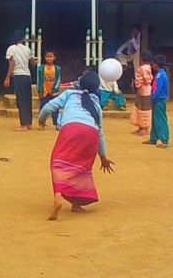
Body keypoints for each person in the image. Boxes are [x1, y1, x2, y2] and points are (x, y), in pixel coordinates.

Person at [38, 72, 115, 221]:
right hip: (90, 135)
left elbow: (49, 107)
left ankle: (58, 196)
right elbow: (100, 132)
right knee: (81, 168)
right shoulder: (96, 105)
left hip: (70, 129)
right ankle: (76, 204)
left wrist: (41, 119)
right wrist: (103, 157)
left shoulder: (70, 94)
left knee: (58, 164)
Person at [5, 31, 34, 131]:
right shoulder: (27, 49)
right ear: (23, 39)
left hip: (18, 75)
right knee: (27, 99)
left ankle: (23, 124)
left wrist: (8, 76)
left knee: (21, 100)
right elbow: (32, 62)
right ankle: (29, 123)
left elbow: (12, 63)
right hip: (27, 75)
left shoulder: (11, 49)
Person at [144, 55, 170, 148]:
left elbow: (157, 90)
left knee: (160, 120)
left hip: (159, 100)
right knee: (155, 119)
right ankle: (153, 138)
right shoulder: (161, 74)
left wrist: (152, 99)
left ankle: (164, 140)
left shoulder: (160, 75)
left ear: (155, 64)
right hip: (158, 99)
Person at [130, 50, 154, 136]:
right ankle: (141, 126)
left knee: (144, 109)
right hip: (141, 90)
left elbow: (147, 80)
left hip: (145, 91)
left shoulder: (144, 68)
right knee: (139, 108)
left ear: (141, 59)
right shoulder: (146, 67)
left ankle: (145, 128)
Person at [36, 50, 61, 130]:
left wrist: (55, 89)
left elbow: (58, 80)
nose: (49, 58)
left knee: (55, 108)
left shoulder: (57, 69)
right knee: (43, 108)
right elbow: (39, 80)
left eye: (51, 56)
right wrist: (39, 91)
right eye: (47, 56)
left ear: (54, 58)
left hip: (54, 93)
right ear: (44, 57)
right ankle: (41, 123)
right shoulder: (41, 68)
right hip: (44, 92)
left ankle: (56, 124)